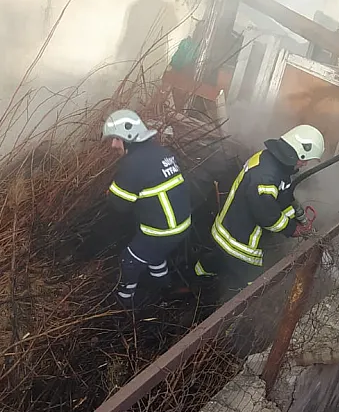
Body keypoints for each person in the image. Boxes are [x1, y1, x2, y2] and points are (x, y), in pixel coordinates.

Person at [193, 125, 325, 294]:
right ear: (297, 151)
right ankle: (230, 313)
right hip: (241, 244)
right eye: (305, 159)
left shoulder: (269, 160)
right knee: (250, 288)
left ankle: (196, 283)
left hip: (225, 230)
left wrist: (296, 215)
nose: (305, 164)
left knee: (213, 262)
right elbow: (268, 216)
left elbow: (280, 197)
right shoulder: (265, 178)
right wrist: (293, 229)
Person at [103, 109, 193, 308]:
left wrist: (111, 194)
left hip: (162, 231)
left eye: (116, 139)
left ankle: (125, 300)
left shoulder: (132, 164)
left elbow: (119, 205)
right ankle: (163, 288)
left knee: (129, 259)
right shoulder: (162, 152)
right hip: (182, 224)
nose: (113, 145)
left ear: (128, 137)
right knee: (155, 254)